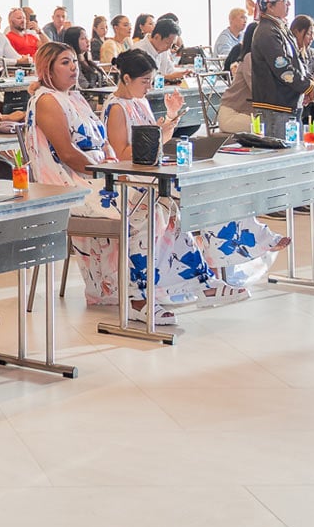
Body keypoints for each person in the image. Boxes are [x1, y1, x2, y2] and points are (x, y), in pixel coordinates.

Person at [24, 42, 225, 321]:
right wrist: (108, 172)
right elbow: (68, 154)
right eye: (65, 63)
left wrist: (114, 167)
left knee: (164, 205)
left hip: (98, 175)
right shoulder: (47, 100)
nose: (73, 68)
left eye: (74, 62)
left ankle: (189, 283)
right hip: (68, 186)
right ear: (47, 68)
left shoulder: (75, 97)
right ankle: (136, 298)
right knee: (144, 210)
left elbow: (104, 143)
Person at [103, 47, 285, 292]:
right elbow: (121, 154)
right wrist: (159, 136)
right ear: (126, 78)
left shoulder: (139, 102)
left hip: (153, 167)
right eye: (145, 81)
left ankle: (233, 251)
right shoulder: (117, 108)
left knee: (219, 185)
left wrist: (170, 120)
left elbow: (154, 140)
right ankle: (224, 259)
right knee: (205, 192)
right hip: (135, 176)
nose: (149, 87)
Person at [247, 0, 304, 142]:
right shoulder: (267, 32)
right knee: (281, 151)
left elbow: (296, 61)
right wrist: (306, 86)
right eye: (283, 0)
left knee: (294, 151)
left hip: (286, 103)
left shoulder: (279, 27)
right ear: (270, 6)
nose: (289, 4)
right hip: (275, 107)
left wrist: (308, 84)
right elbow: (282, 68)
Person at [140, 17, 186, 83]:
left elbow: (170, 70)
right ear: (157, 37)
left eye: (172, 44)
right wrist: (168, 77)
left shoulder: (164, 49)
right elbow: (142, 80)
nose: (169, 47)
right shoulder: (139, 50)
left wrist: (181, 74)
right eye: (167, 43)